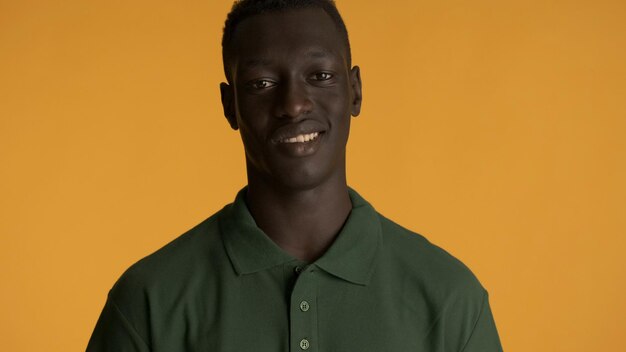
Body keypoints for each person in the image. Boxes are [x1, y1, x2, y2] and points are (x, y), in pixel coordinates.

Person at [86, 0, 503, 351]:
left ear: (355, 90)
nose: (293, 104)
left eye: (320, 76)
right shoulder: (148, 304)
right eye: (261, 83)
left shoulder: (450, 300)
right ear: (229, 105)